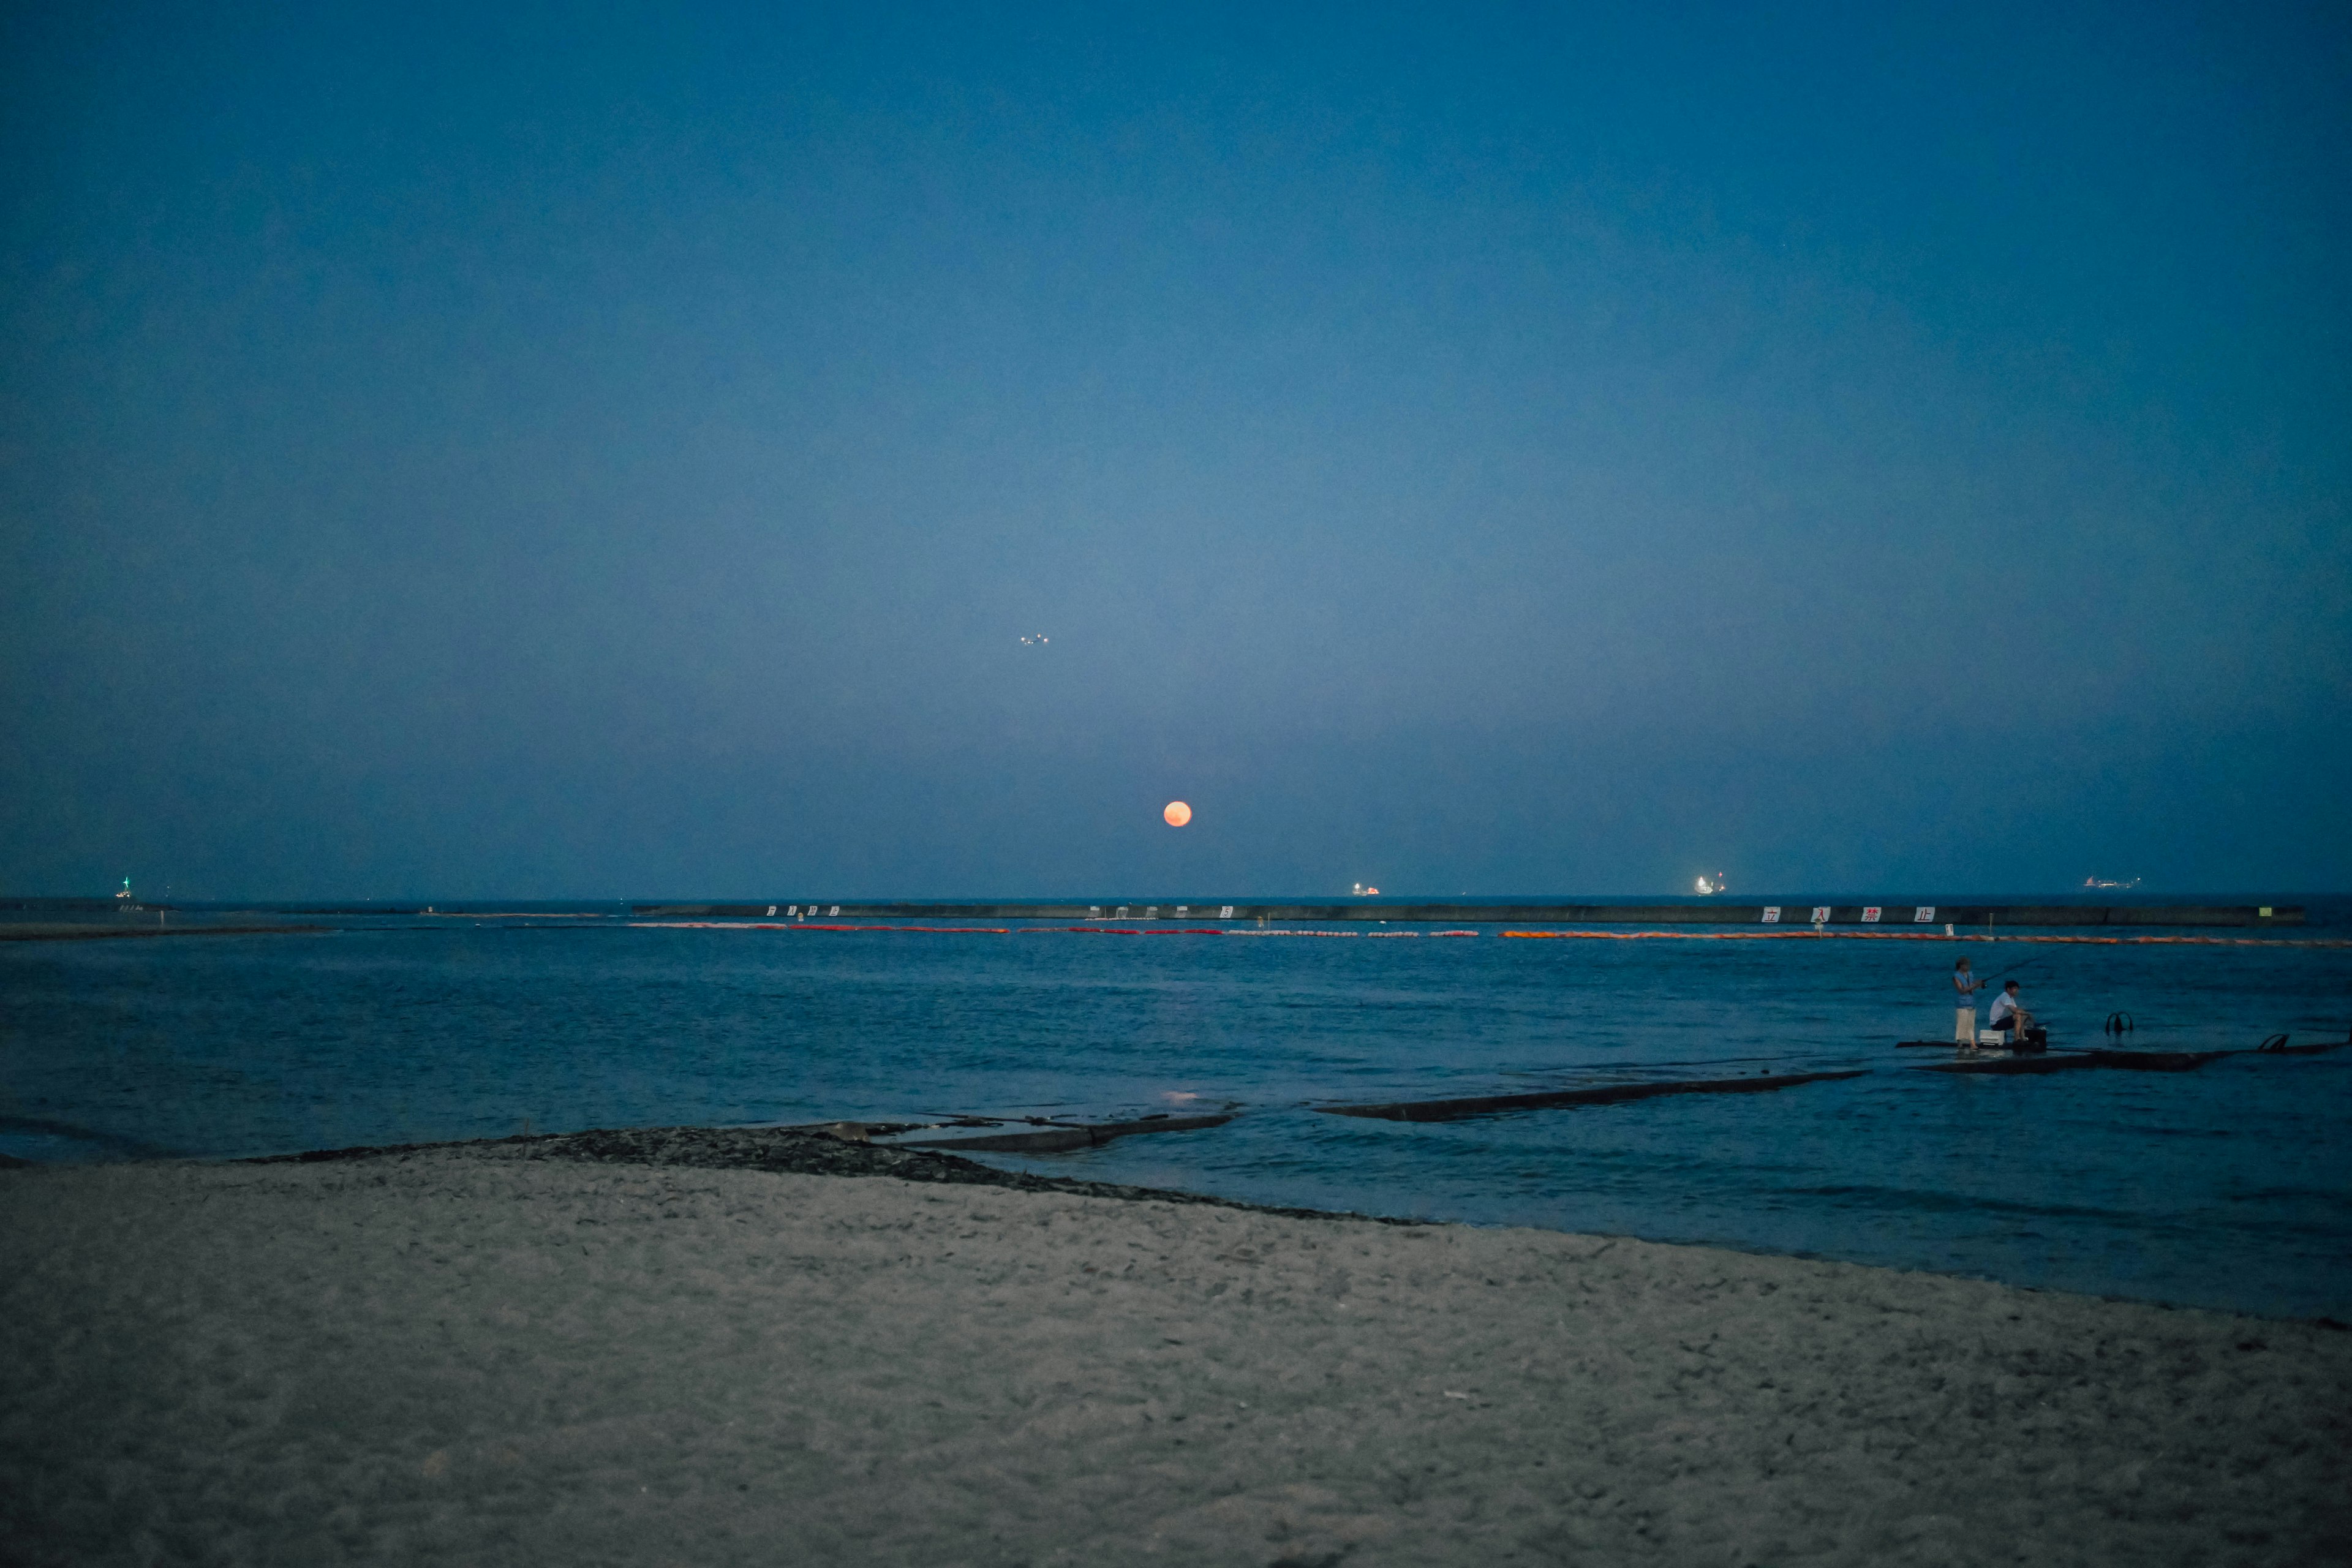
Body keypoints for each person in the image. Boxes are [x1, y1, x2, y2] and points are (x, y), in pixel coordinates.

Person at [1953, 958, 1984, 1049]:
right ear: (1961, 965)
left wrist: (1979, 984)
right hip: (1961, 1003)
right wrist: (1974, 985)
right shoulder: (1956, 976)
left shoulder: (1970, 974)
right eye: (1966, 965)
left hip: (1971, 1002)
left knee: (1971, 1024)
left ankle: (1972, 1043)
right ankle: (1960, 1042)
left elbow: (1971, 987)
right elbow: (1961, 990)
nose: (1968, 966)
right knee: (1961, 1023)